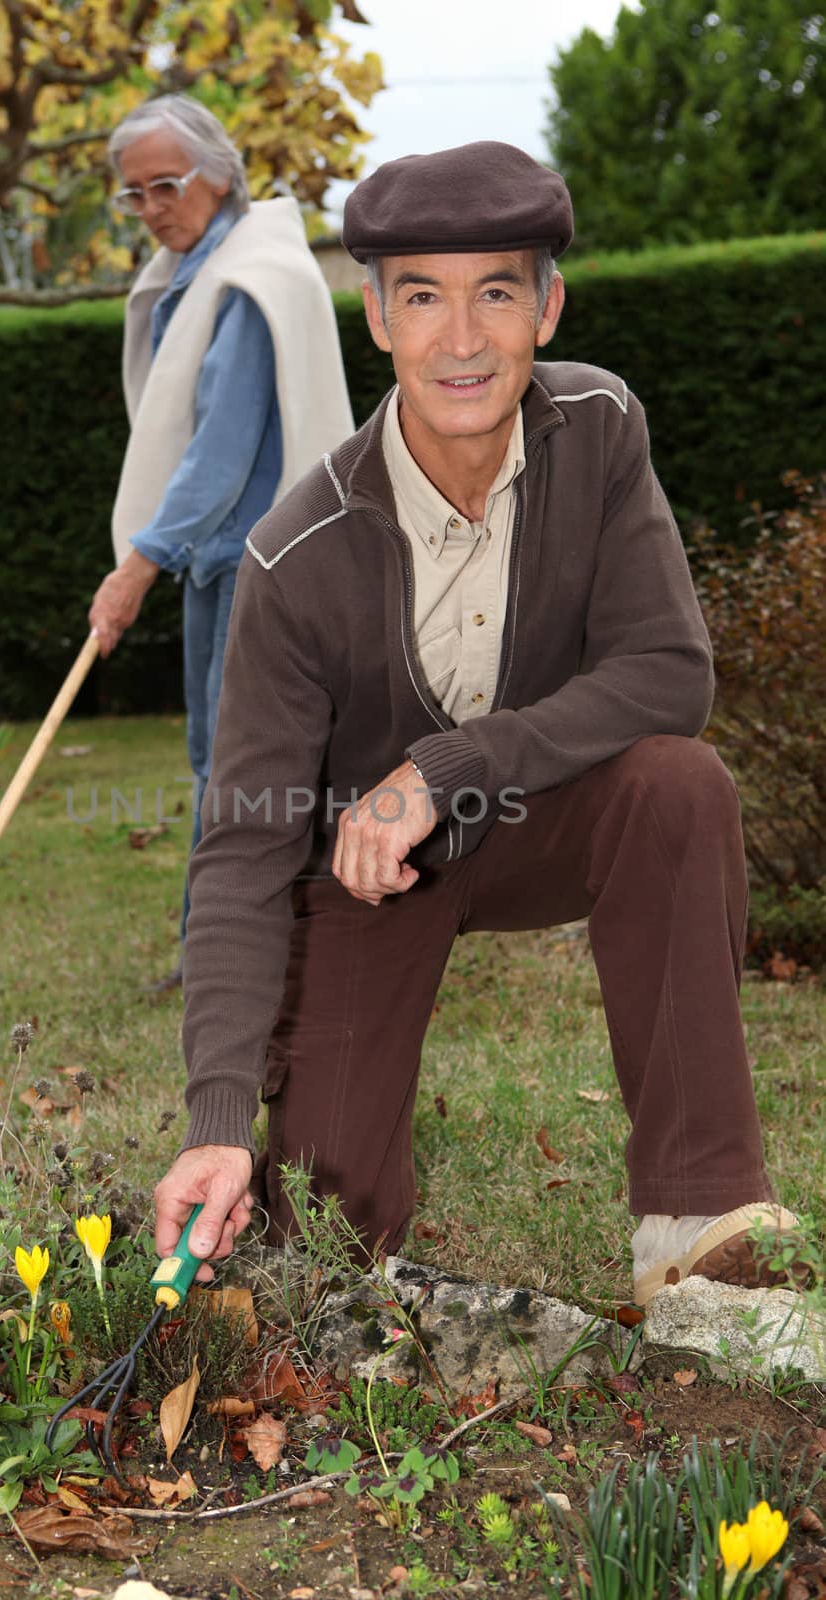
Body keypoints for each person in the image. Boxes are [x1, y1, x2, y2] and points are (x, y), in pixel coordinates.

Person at [152, 140, 801, 1306]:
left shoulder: (597, 430)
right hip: (360, 877)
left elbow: (666, 672)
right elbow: (244, 844)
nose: (460, 339)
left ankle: (698, 1231)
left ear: (547, 305)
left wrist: (449, 765)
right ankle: (325, 1204)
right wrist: (216, 1116)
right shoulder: (293, 556)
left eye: (495, 292)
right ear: (375, 318)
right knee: (326, 1253)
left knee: (675, 782)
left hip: (543, 819)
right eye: (421, 297)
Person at [89, 95, 354, 989]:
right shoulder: (202, 269)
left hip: (265, 560)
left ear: (220, 174)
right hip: (217, 556)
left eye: (165, 185)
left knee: (247, 766)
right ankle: (214, 951)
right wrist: (170, 550)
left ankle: (239, 958)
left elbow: (224, 445)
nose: (151, 208)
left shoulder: (255, 276)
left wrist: (138, 562)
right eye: (134, 195)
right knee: (218, 761)